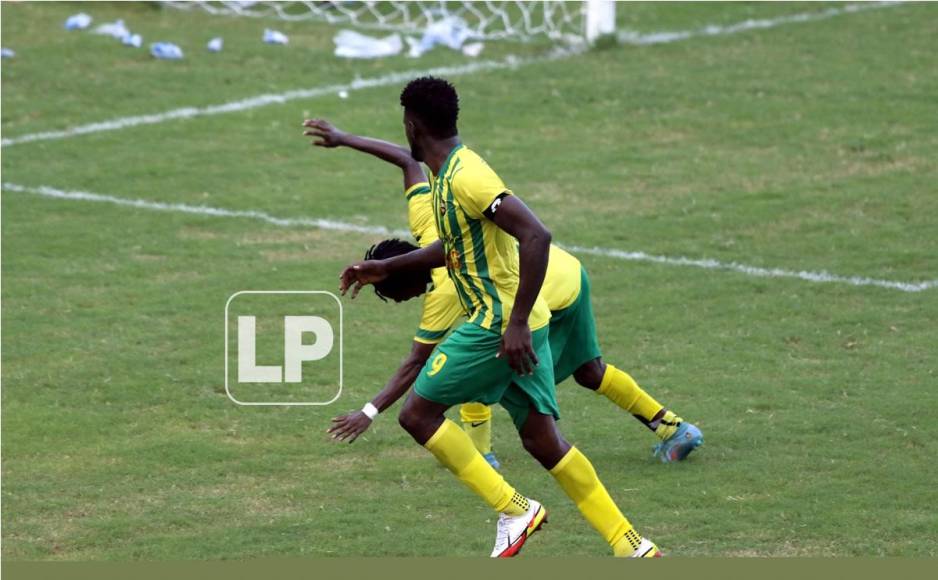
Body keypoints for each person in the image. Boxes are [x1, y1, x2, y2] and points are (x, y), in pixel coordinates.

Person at [336, 76, 661, 557]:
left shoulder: (468, 176)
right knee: (543, 442)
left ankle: (515, 509)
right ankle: (631, 544)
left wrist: (514, 323)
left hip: (498, 324)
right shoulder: (444, 176)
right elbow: (453, 247)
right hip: (520, 324)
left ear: (411, 124)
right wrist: (386, 266)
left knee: (417, 414)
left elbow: (537, 235)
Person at [302, 118, 703, 464]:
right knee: (588, 370)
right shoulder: (425, 220)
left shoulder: (445, 294)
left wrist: (369, 412)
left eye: (391, 294)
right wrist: (343, 138)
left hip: (540, 292)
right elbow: (408, 160)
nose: (397, 301)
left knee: (479, 367)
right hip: (568, 273)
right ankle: (675, 429)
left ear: (407, 283)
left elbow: (415, 363)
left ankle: (482, 458)